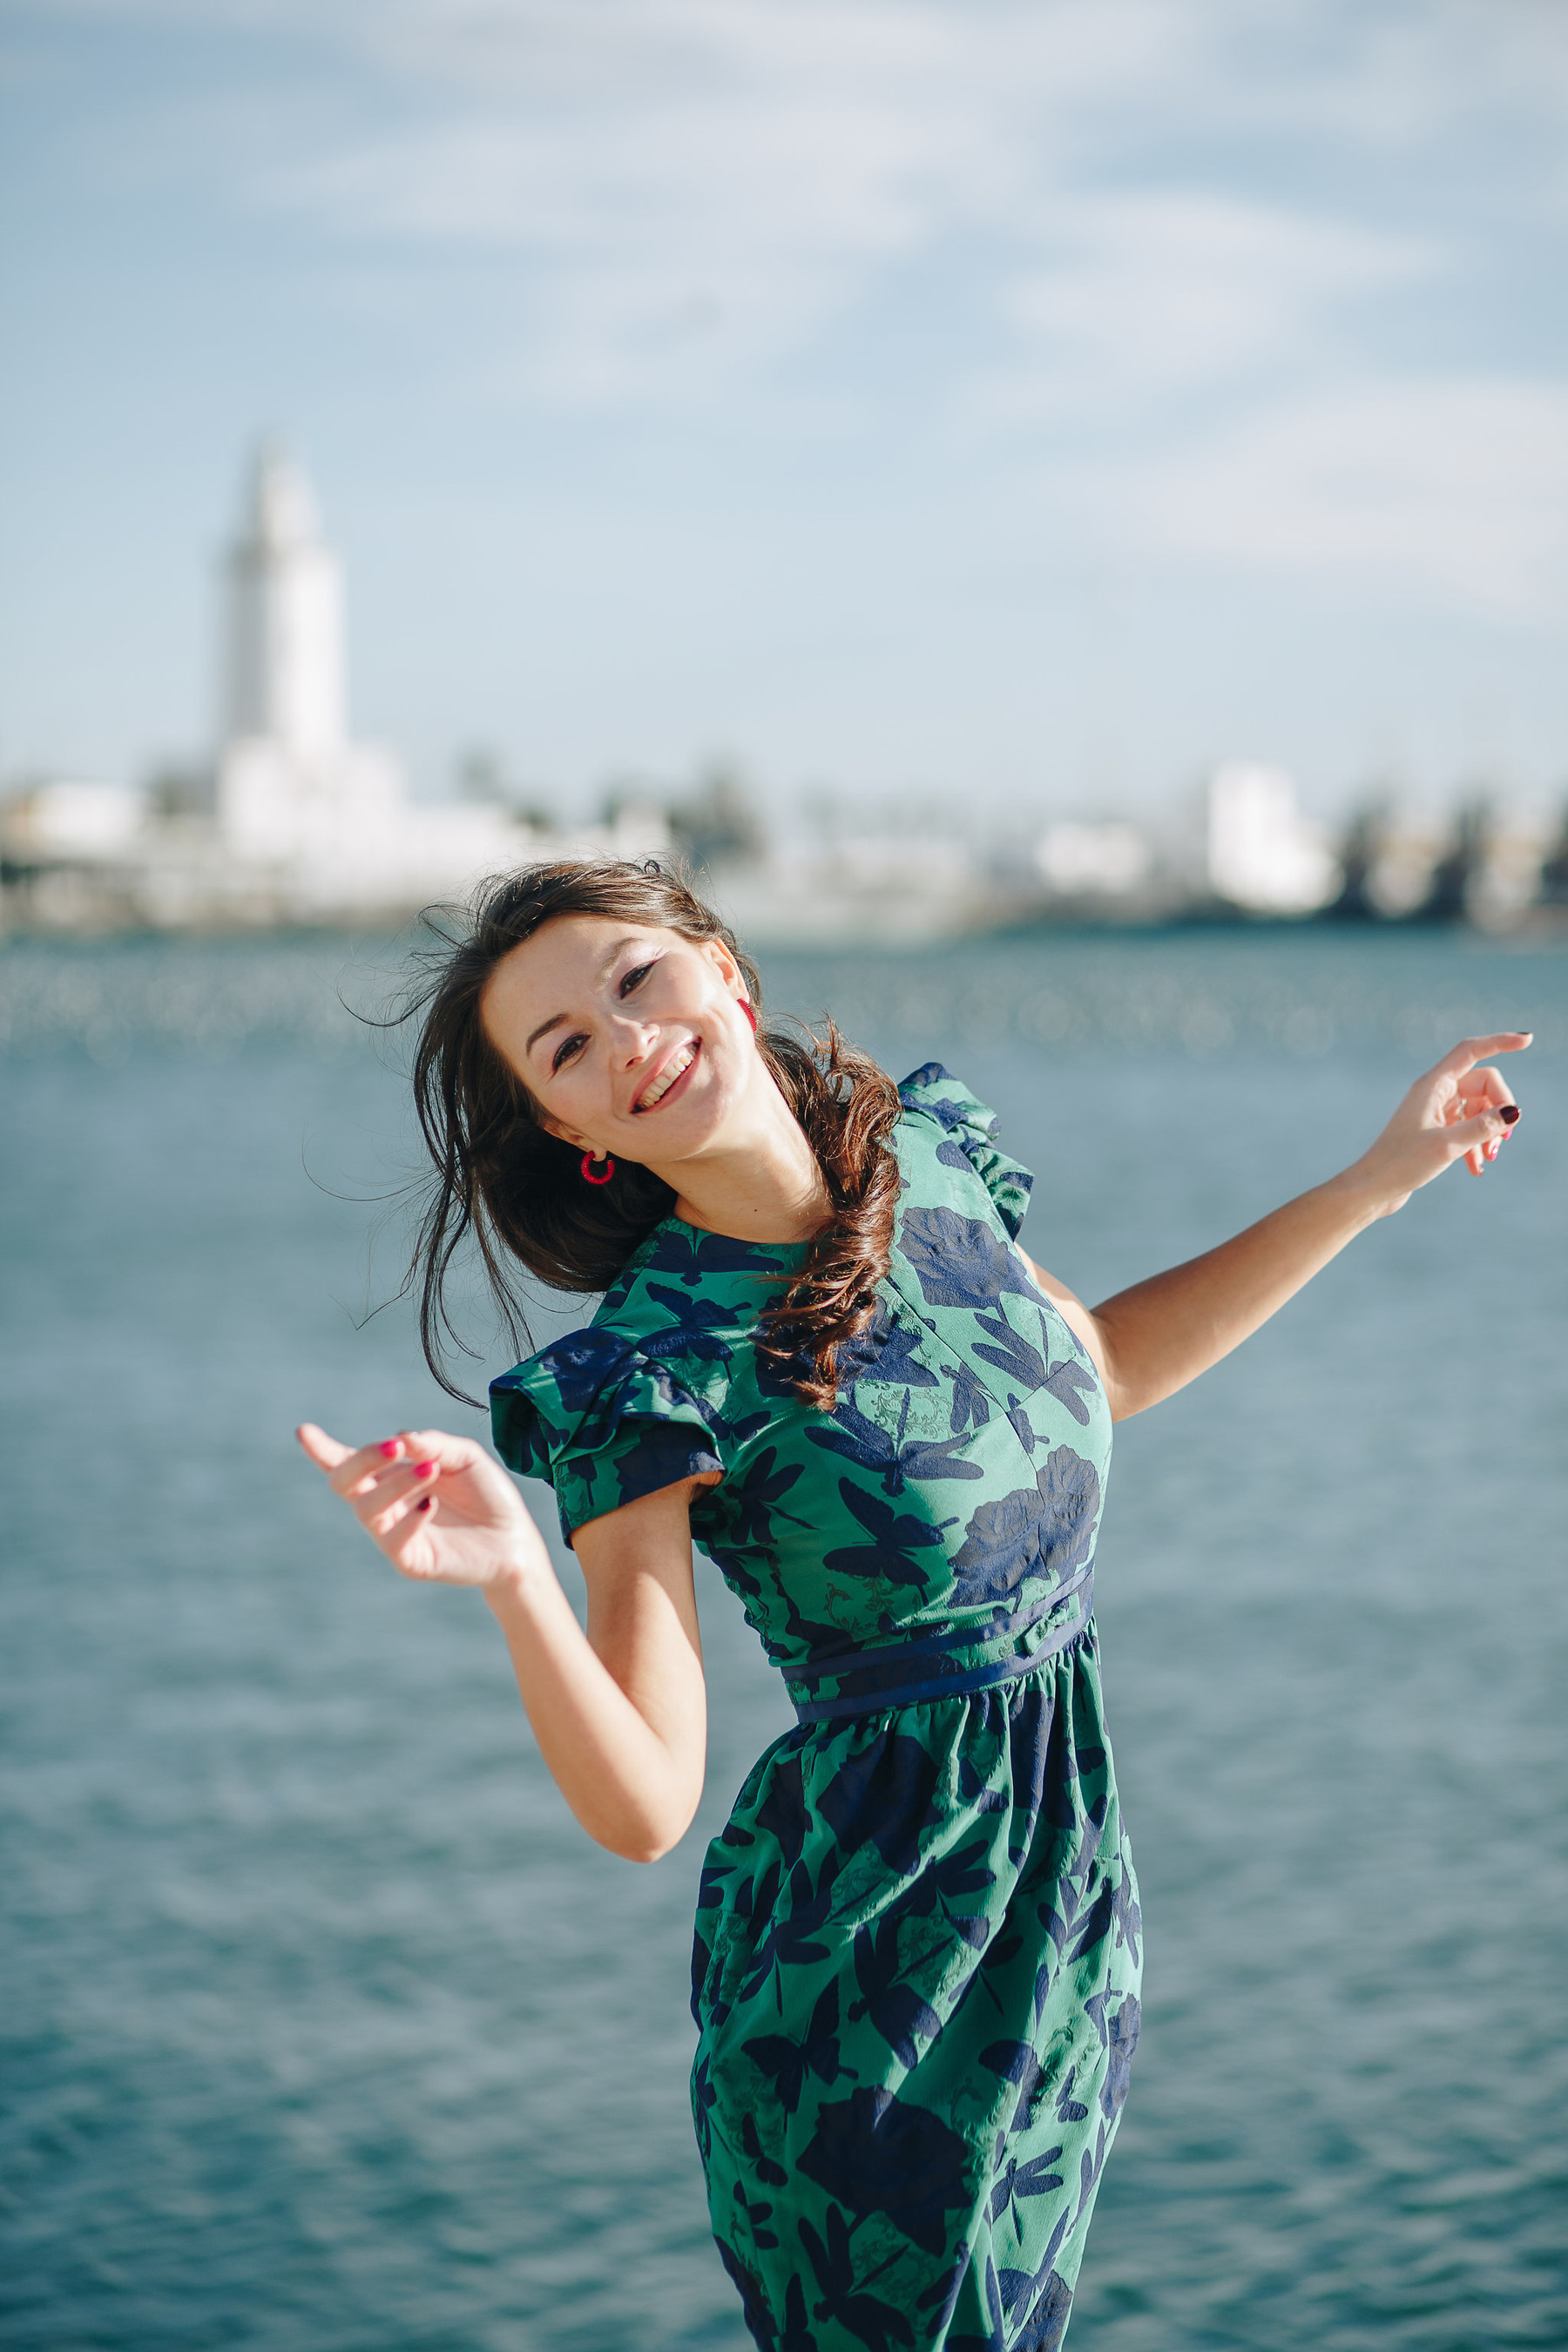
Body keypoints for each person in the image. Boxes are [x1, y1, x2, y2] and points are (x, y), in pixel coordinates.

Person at [298, 859, 1528, 2352]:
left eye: (635, 978)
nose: (623, 1036)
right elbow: (646, 1798)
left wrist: (1378, 1175)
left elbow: (1110, 1369)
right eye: (565, 1047)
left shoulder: (922, 1163)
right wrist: (511, 1579)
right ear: (571, 1130)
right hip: (866, 1990)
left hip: (1059, 1918)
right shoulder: (653, 1370)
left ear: (725, 972)